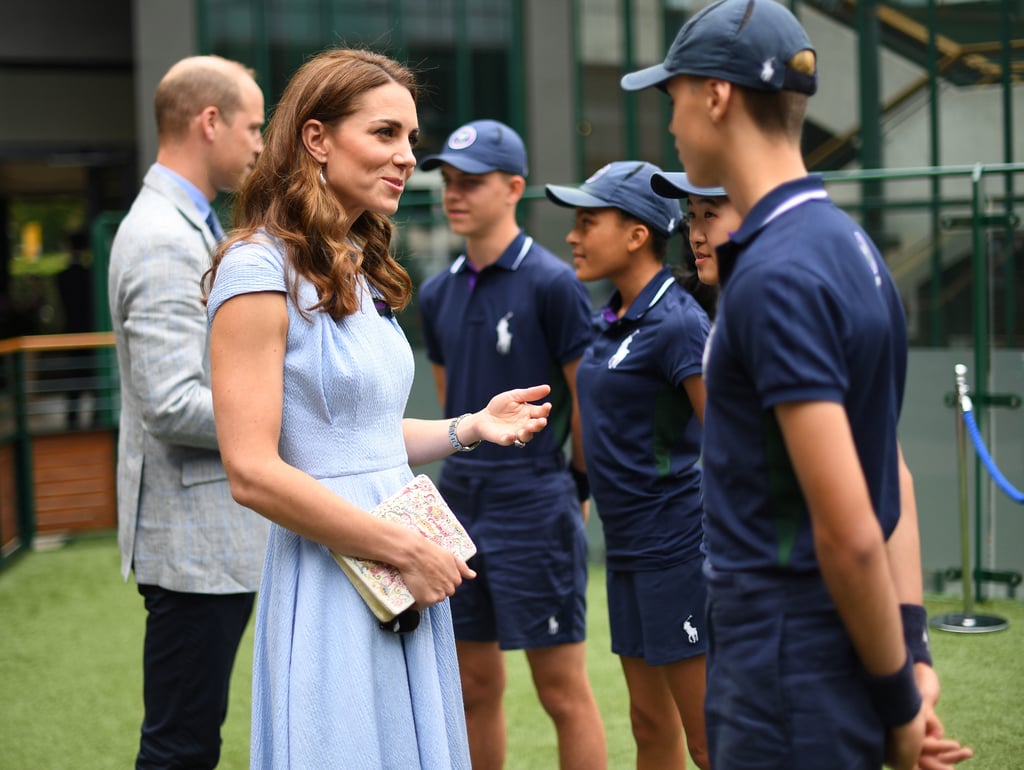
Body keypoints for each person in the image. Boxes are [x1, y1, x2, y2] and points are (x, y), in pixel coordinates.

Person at [622, 2, 973, 769]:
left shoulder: (773, 273)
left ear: (716, 95)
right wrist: (909, 652)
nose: (672, 122)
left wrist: (900, 703)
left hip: (786, 656)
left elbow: (849, 530)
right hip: (826, 650)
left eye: (673, 94)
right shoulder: (850, 243)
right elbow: (895, 481)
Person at [203, 49, 554, 768]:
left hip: (399, 565)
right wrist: (403, 551)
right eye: (386, 134)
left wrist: (470, 427)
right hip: (339, 575)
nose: (406, 159)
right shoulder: (254, 269)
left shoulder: (352, 267)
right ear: (317, 138)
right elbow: (253, 471)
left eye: (411, 141)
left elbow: (356, 435)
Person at [416, 119, 607, 770]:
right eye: (448, 181)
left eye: (472, 182)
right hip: (460, 502)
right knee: (472, 687)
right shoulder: (437, 292)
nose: (454, 194)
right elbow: (453, 405)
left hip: (536, 500)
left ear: (514, 188)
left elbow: (587, 401)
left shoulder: (553, 283)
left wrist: (575, 488)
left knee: (561, 692)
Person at [107, 55, 269, 769]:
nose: (262, 143)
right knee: (180, 745)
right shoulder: (162, 238)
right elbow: (172, 404)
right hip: (193, 548)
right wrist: (277, 418)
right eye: (255, 125)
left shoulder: (186, 225)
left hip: (209, 541)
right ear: (211, 123)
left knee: (191, 736)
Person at [545, 160, 710, 769]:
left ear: (638, 234)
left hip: (681, 552)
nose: (573, 236)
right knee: (649, 726)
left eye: (589, 222)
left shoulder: (679, 325)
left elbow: (726, 440)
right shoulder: (606, 319)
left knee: (708, 740)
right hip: (628, 554)